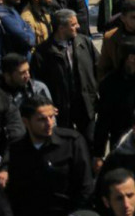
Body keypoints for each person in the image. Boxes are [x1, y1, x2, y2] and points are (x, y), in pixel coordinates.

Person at [8, 95, 95, 216]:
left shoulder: (71, 142)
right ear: (26, 122)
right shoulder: (18, 150)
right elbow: (16, 192)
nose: (49, 123)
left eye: (51, 117)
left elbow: (85, 187)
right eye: (41, 119)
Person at [34, 8, 100, 141]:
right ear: (61, 28)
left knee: (90, 141)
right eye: (73, 24)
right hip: (61, 108)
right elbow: (38, 83)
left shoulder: (84, 42)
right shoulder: (43, 53)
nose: (78, 26)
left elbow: (98, 67)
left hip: (86, 105)